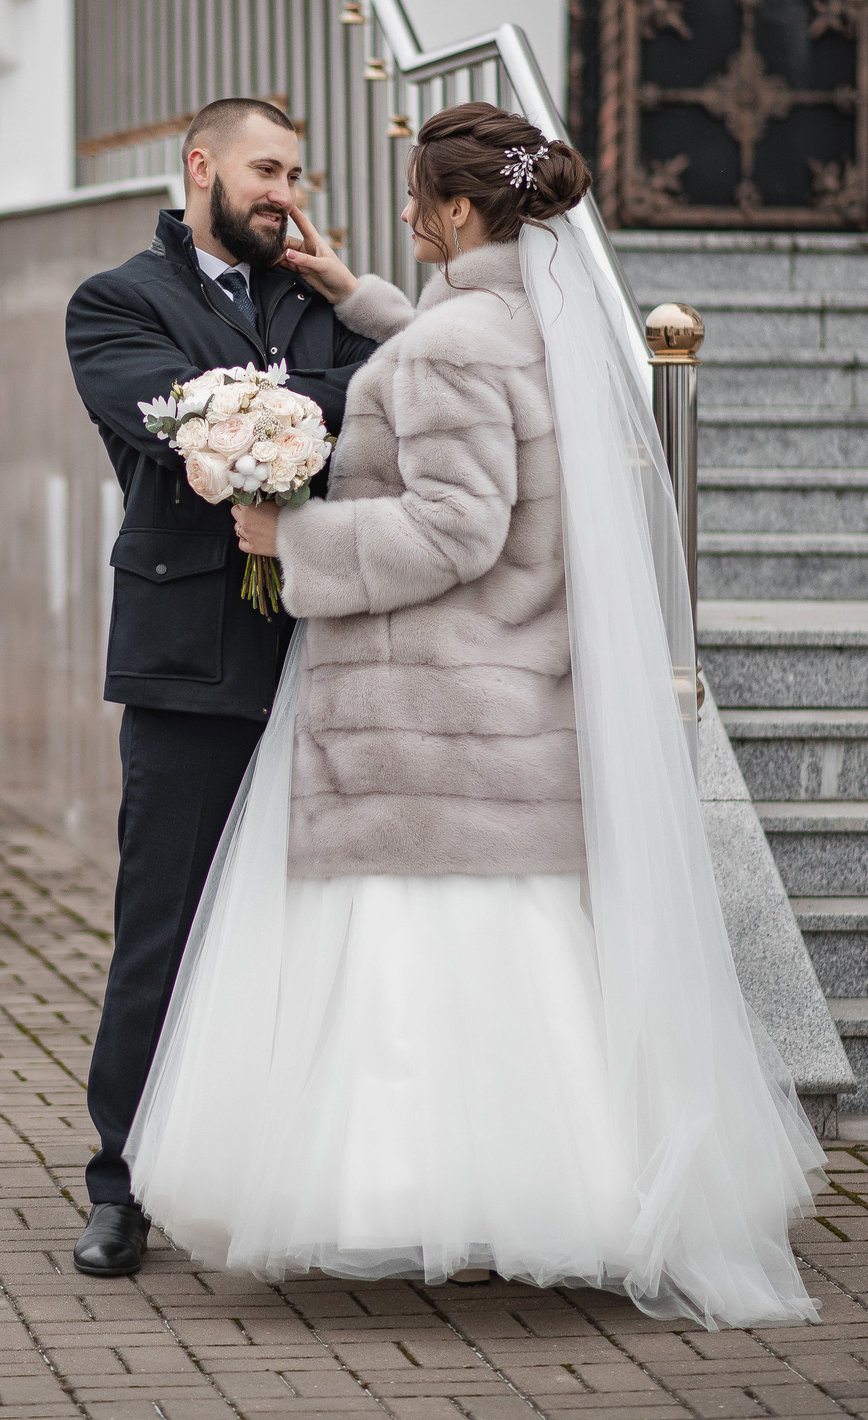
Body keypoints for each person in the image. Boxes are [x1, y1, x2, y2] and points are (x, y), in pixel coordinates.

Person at [124, 103, 827, 1327]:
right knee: (514, 977)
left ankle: (435, 1210)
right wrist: (368, 304)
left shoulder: (455, 349)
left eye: (414, 198)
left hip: (428, 707)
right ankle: (531, 1207)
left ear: (456, 211)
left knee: (422, 975)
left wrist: (298, 539)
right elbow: (467, 382)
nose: (401, 216)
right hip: (500, 710)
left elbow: (459, 524)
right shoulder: (528, 329)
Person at [61, 97, 383, 1277]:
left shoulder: (325, 297)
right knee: (167, 927)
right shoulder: (116, 302)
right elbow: (169, 422)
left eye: (296, 171)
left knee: (316, 930)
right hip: (191, 660)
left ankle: (289, 1170)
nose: (283, 191)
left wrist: (284, 392)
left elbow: (395, 406)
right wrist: (294, 406)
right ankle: (122, 1185)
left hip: (328, 652)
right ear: (199, 167)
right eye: (263, 168)